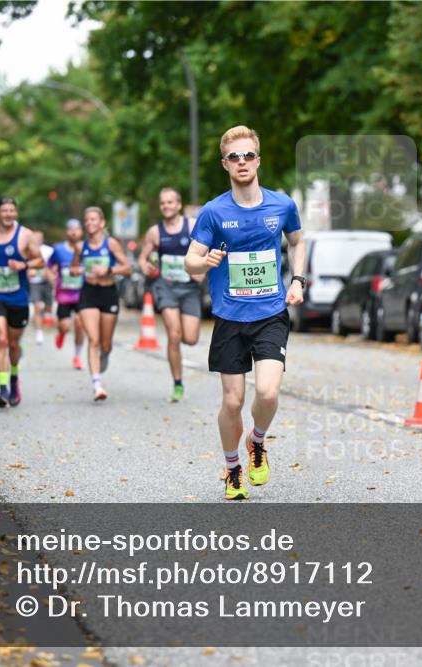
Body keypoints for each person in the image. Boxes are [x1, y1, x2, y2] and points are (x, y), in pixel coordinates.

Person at [185, 125, 306, 500]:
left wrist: (298, 279)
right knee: (233, 401)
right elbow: (190, 262)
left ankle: (257, 441)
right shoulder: (214, 211)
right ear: (225, 164)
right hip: (230, 317)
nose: (242, 162)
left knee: (267, 392)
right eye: (234, 157)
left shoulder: (282, 205)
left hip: (270, 312)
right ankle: (233, 467)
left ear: (258, 160)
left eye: (248, 155)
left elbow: (298, 241)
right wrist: (204, 261)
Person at [139, 187, 203, 402]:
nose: (166, 206)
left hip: (189, 289)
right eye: (162, 203)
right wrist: (146, 266)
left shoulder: (192, 226)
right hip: (165, 287)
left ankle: (183, 344)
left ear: (178, 204)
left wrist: (201, 270)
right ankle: (177, 383)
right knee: (173, 335)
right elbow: (143, 258)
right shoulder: (155, 232)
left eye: (170, 202)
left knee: (191, 339)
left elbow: (207, 250)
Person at [0, 197, 43, 408]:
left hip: (18, 297)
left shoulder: (26, 235)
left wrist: (23, 264)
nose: (8, 214)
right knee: (1, 338)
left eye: (12, 210)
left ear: (16, 213)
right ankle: (2, 390)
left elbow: (40, 260)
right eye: (4, 210)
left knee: (13, 344)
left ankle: (14, 378)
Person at [69, 206, 131, 401]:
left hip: (108, 293)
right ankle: (97, 384)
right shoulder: (80, 246)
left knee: (105, 344)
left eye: (94, 219)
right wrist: (76, 271)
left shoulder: (111, 243)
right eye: (87, 220)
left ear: (102, 223)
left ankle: (104, 355)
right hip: (88, 293)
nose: (90, 223)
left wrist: (109, 270)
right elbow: (73, 268)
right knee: (93, 339)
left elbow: (127, 268)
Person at [48, 219, 86, 369]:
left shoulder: (86, 248)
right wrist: (50, 274)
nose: (74, 232)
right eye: (71, 229)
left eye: (77, 229)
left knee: (79, 324)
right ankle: (62, 332)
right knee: (65, 326)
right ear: (66, 232)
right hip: (64, 296)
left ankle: (77, 356)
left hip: (82, 294)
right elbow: (49, 266)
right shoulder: (58, 249)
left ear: (81, 231)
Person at [28, 230, 54, 345]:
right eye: (35, 238)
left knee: (48, 307)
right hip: (35, 282)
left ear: (42, 239)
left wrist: (51, 273)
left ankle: (44, 313)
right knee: (37, 307)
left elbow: (56, 264)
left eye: (39, 238)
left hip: (47, 282)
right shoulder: (27, 250)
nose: (37, 240)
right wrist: (28, 272)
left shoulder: (49, 250)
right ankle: (39, 332)